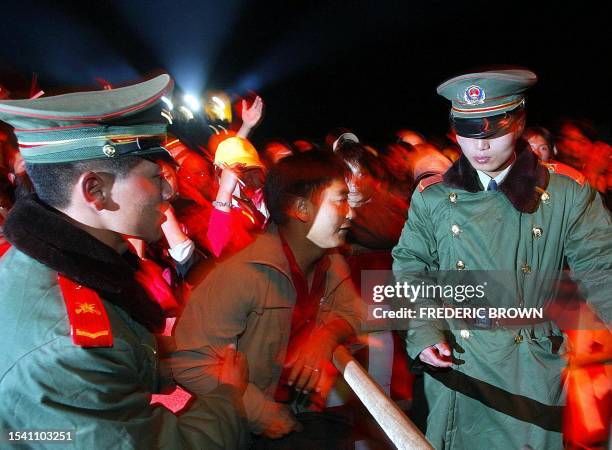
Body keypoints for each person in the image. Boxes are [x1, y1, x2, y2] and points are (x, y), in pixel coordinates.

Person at [0, 74, 250, 449]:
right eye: (154, 177)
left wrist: (168, 365)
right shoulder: (71, 345)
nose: (168, 192)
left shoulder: (48, 262)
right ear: (95, 190)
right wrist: (228, 398)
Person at [392, 69, 611, 449]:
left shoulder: (565, 194)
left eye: (494, 131)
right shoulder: (432, 197)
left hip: (531, 368)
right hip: (457, 364)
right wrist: (423, 331)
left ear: (520, 122)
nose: (480, 146)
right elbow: (411, 268)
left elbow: (601, 271)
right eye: (467, 131)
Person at [170, 151, 361, 446]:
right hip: (248, 432)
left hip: (303, 416)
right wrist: (259, 412)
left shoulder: (332, 264)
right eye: (339, 200)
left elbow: (354, 313)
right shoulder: (242, 275)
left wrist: (326, 336)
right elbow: (191, 361)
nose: (351, 213)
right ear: (301, 208)